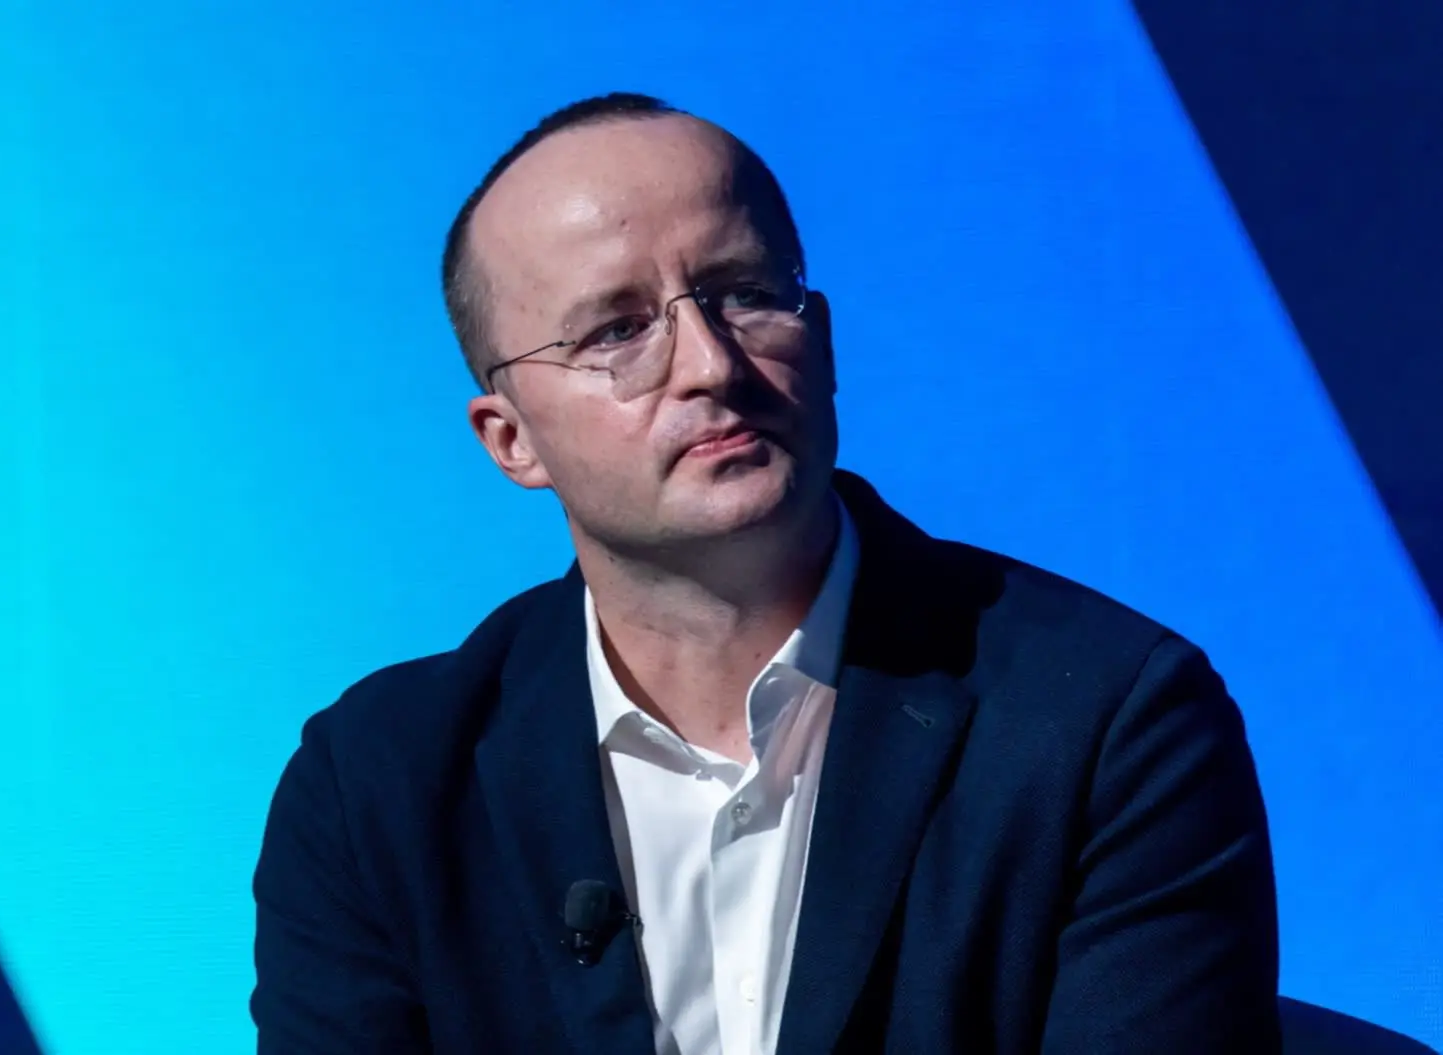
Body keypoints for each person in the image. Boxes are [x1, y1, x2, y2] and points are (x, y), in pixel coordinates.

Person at [251, 92, 1280, 1054]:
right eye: (618, 329)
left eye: (745, 296)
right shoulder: (377, 785)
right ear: (511, 439)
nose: (710, 364)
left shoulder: (1105, 721)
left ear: (820, 338)